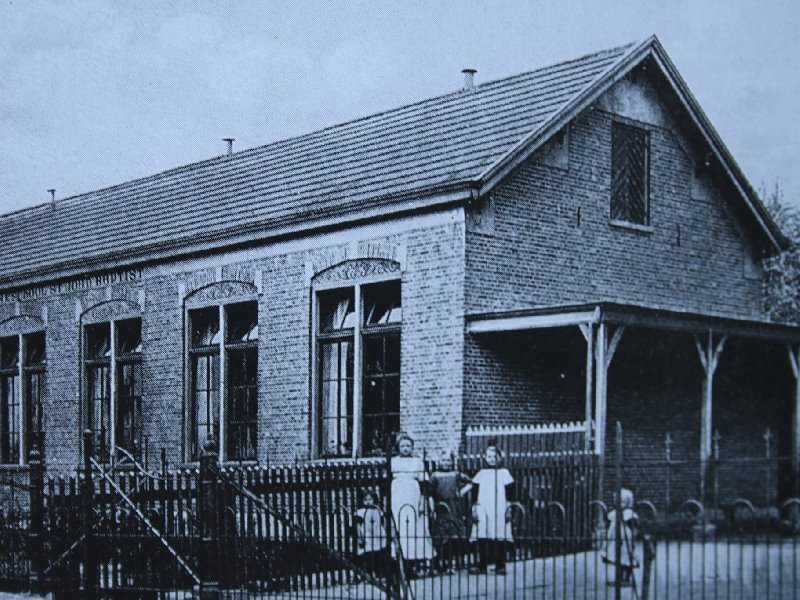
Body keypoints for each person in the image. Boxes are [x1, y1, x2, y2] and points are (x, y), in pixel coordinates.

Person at [390, 432, 435, 577]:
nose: (405, 449)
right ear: (398, 447)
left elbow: (424, 483)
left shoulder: (417, 461)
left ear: (412, 447)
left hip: (413, 494)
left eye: (408, 446)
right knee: (399, 524)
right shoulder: (393, 461)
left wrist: (422, 500)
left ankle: (414, 563)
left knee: (413, 526)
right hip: (397, 495)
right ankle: (399, 562)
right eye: (402, 446)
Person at [469, 442, 514, 575]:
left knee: (500, 535)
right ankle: (482, 566)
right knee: (482, 535)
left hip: (500, 508)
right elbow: (474, 494)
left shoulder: (504, 473)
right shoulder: (481, 473)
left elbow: (511, 493)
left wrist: (509, 508)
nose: (492, 459)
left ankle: (500, 565)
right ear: (485, 457)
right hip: (483, 508)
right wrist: (474, 509)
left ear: (499, 458)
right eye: (489, 456)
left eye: (494, 457)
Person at [429, 452, 472, 573]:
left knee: (453, 536)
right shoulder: (435, 476)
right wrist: (432, 508)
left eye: (448, 460)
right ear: (439, 461)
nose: (445, 463)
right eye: (443, 460)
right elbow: (430, 493)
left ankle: (450, 564)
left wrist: (461, 492)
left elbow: (471, 482)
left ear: (452, 462)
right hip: (441, 507)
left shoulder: (456, 474)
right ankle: (438, 563)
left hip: (454, 507)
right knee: (440, 537)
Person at [602, 487, 639, 586]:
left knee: (626, 558)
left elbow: (634, 527)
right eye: (617, 501)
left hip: (625, 539)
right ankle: (618, 578)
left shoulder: (629, 513)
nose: (619, 504)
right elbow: (609, 524)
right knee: (616, 558)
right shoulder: (613, 513)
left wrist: (634, 537)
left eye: (623, 502)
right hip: (614, 539)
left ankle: (626, 578)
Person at [354, 488, 388, 578]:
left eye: (370, 499)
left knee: (378, 554)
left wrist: (383, 533)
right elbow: (358, 525)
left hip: (377, 534)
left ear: (374, 499)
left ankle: (379, 572)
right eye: (365, 500)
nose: (368, 502)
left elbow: (382, 522)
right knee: (367, 554)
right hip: (367, 535)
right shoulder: (360, 512)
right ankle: (368, 573)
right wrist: (360, 537)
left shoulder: (377, 510)